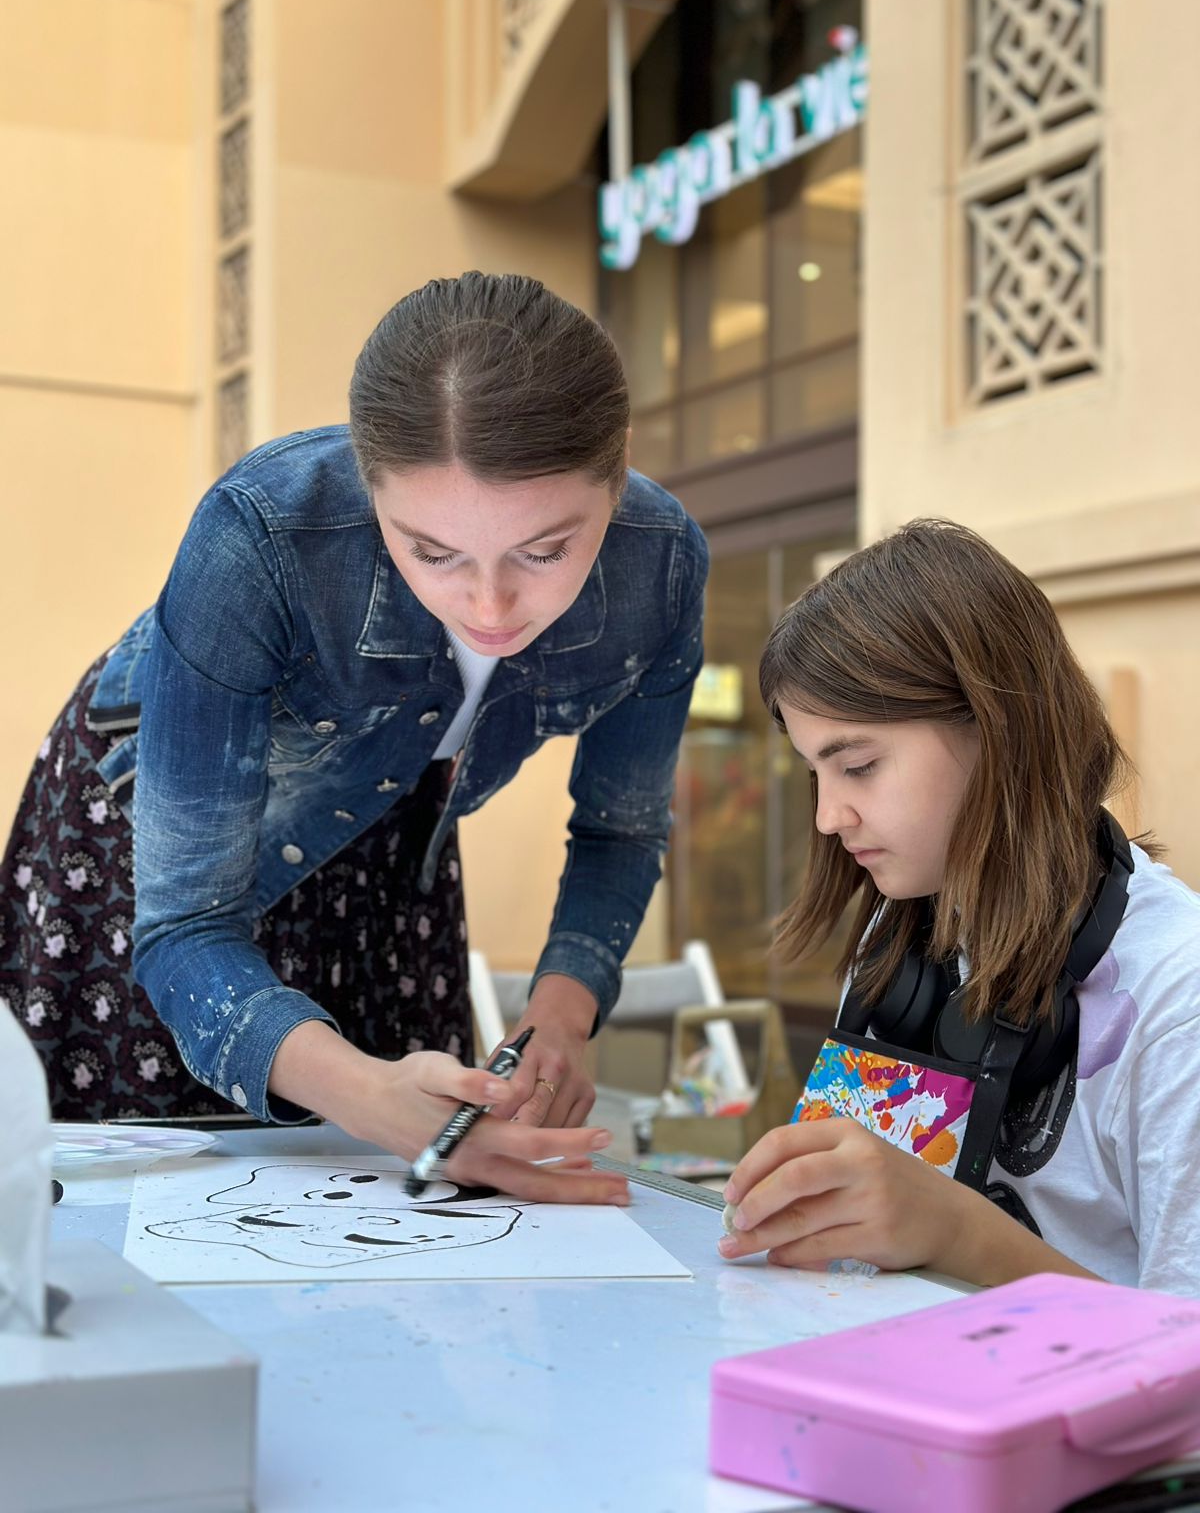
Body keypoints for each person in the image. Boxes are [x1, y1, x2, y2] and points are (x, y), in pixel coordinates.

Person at [0, 271, 709, 1204]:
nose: (489, 607)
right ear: (369, 486)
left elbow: (620, 830)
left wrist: (559, 1018)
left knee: (406, 1171)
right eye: (432, 552)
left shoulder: (661, 565)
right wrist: (368, 1092)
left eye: (544, 552)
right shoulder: (256, 537)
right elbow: (184, 927)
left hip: (396, 837)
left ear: (616, 469)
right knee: (164, 1190)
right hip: (153, 825)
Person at [718, 519, 1200, 1291]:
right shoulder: (900, 932)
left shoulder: (1179, 998)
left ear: (999, 731)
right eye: (817, 774)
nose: (827, 818)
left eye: (861, 766)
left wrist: (952, 1230)